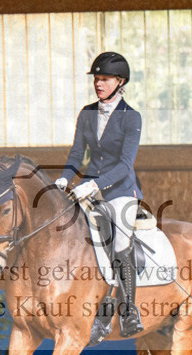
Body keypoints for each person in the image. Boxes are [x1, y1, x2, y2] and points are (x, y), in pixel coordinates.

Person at [55, 51, 144, 337]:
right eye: (96, 78)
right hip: (88, 189)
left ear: (120, 81)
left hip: (120, 190)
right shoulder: (87, 113)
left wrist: (93, 185)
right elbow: (77, 154)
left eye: (104, 78)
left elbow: (124, 165)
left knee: (119, 241)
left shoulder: (132, 118)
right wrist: (64, 178)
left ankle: (128, 311)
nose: (98, 83)